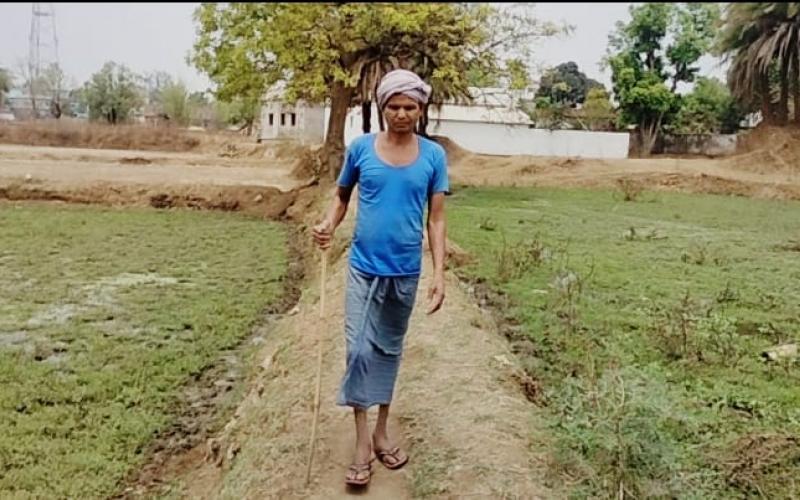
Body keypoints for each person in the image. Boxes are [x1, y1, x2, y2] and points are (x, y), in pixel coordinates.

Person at [312, 68, 449, 487]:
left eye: (410, 106)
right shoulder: (360, 150)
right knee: (358, 351)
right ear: (381, 107)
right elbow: (341, 197)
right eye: (394, 106)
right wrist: (328, 225)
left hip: (405, 271)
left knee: (389, 350)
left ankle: (382, 431)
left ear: (421, 109)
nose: (402, 114)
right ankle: (360, 442)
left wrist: (439, 273)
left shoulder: (433, 156)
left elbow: (437, 220)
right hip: (362, 269)